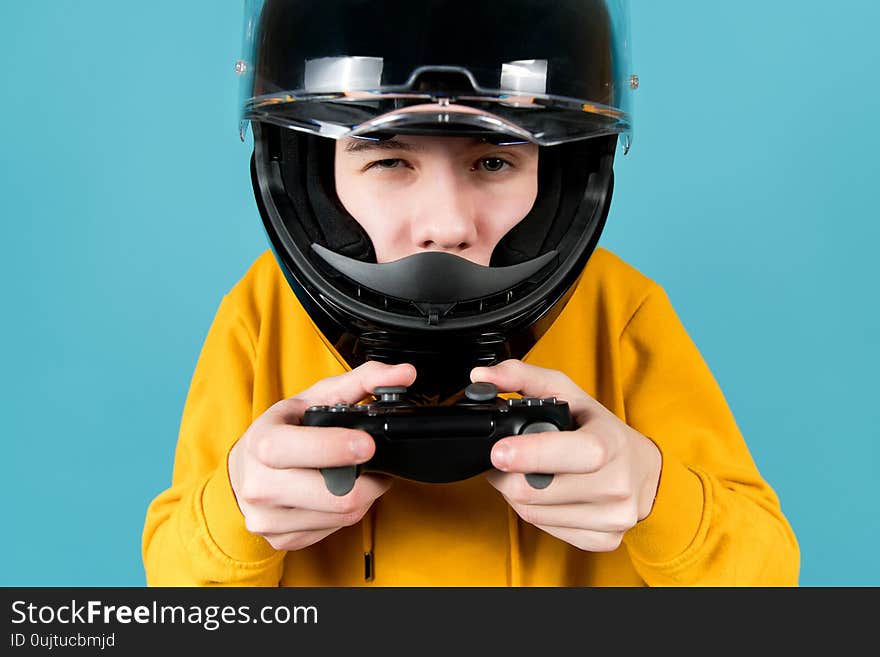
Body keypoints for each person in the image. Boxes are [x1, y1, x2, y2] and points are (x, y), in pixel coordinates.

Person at [142, 0, 800, 586]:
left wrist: (658, 495)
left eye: (493, 161)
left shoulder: (619, 312)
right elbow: (175, 586)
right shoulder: (261, 316)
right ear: (307, 173)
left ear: (567, 175)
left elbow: (766, 576)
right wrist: (236, 510)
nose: (446, 226)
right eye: (388, 160)